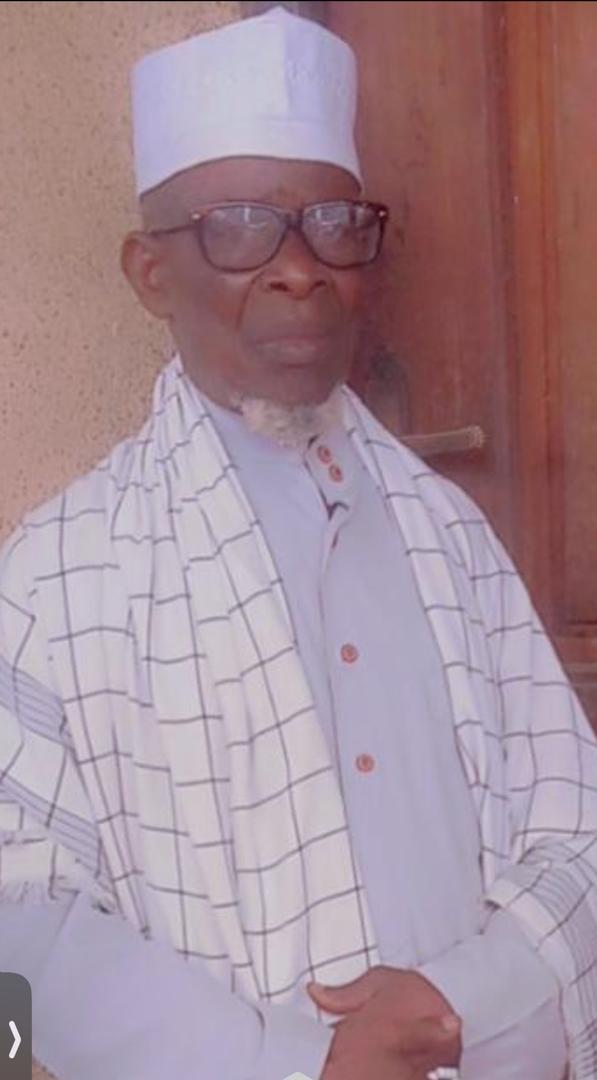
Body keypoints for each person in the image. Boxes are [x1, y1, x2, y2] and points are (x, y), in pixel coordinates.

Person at [0, 8, 595, 1080]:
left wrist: (460, 1000)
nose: (298, 270)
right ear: (149, 273)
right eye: (238, 227)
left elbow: (577, 825)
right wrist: (290, 1064)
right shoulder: (61, 576)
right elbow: (20, 918)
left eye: (332, 222)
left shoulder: (448, 534)